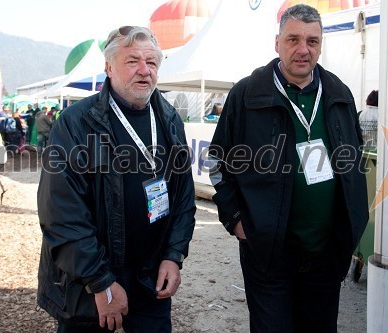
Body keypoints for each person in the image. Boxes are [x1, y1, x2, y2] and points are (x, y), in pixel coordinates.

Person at [208, 4, 369, 332]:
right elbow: (217, 162)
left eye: (312, 41)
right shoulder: (247, 93)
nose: (303, 49)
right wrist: (235, 220)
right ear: (277, 42)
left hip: (325, 253)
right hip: (269, 252)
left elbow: (354, 160)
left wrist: (352, 222)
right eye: (293, 39)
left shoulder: (339, 94)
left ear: (321, 45)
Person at [37, 26, 196, 332]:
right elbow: (61, 213)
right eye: (132, 60)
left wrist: (174, 255)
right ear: (108, 67)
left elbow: (182, 197)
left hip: (151, 279)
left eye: (151, 62)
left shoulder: (169, 118)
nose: (143, 70)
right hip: (89, 286)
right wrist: (100, 282)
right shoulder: (75, 123)